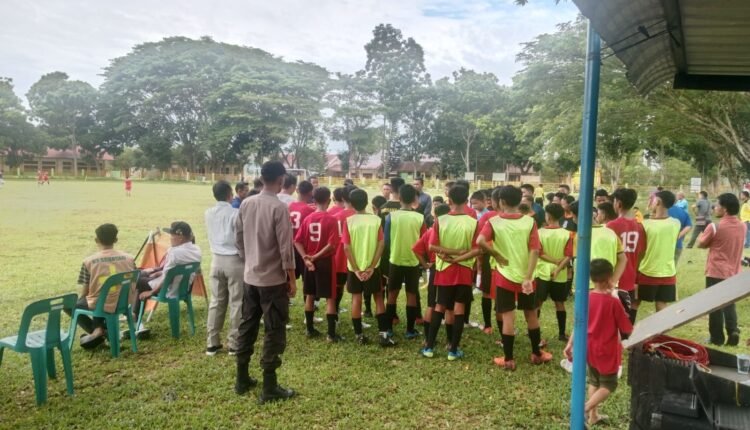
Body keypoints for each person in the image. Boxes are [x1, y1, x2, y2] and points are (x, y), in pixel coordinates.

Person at [234, 161, 297, 403]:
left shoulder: (246, 203)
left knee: (247, 325)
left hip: (250, 278)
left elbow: (238, 238)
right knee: (274, 330)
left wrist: (249, 260)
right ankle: (269, 386)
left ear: (261, 178)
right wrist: (292, 279)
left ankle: (241, 378)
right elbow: (285, 249)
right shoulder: (279, 207)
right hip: (272, 282)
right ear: (281, 179)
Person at [477, 186, 549, 370]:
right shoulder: (529, 222)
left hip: (504, 276)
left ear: (501, 202)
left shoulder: (494, 222)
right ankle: (536, 354)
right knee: (531, 314)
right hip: (527, 277)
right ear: (519, 201)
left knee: (508, 317)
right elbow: (535, 250)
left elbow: (480, 241)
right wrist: (528, 277)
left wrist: (496, 254)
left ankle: (508, 359)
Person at [563, 259, 633, 427]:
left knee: (594, 381)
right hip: (606, 351)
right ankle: (585, 409)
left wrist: (570, 343)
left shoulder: (586, 298)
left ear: (591, 278)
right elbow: (627, 328)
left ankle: (593, 416)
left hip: (588, 348)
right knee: (609, 384)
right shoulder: (613, 302)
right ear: (610, 277)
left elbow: (578, 324)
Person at [421, 184, 479, 361]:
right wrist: (459, 256)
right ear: (467, 199)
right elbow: (477, 250)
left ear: (450, 200)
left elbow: (432, 246)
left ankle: (429, 347)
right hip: (464, 270)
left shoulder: (441, 220)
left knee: (439, 306)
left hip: (444, 270)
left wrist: (450, 256)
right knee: (459, 308)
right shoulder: (473, 222)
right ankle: (453, 350)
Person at [65, 224, 136, 349]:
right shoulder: (129, 258)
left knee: (69, 305)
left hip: (100, 304)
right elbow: (134, 281)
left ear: (96, 240)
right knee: (101, 299)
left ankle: (98, 330)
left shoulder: (89, 262)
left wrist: (81, 300)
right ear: (116, 240)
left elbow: (85, 292)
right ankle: (101, 330)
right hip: (124, 302)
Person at [342, 189, 393, 346]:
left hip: (354, 269)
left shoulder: (349, 221)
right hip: (373, 268)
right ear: (367, 202)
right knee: (378, 297)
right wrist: (371, 267)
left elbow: (346, 247)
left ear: (351, 204)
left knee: (356, 299)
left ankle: (359, 335)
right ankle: (383, 335)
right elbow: (381, 244)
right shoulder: (376, 220)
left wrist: (356, 269)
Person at [133, 221, 202, 337]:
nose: (170, 238)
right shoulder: (197, 250)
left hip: (168, 290)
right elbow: (173, 271)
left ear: (180, 237)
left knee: (138, 280)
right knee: (144, 278)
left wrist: (151, 292)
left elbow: (167, 279)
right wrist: (160, 273)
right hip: (184, 289)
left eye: (172, 235)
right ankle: (136, 319)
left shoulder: (174, 252)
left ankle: (135, 319)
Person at [697, 193, 746, 346]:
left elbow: (701, 244)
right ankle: (733, 331)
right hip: (734, 271)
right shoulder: (743, 226)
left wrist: (704, 238)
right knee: (729, 302)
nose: (714, 208)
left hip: (716, 271)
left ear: (724, 209)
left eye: (717, 205)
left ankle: (716, 337)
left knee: (714, 305)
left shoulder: (715, 226)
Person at [294, 187, 342, 342]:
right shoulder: (331, 219)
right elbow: (331, 245)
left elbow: (297, 241)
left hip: (309, 263)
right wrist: (315, 257)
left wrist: (306, 258)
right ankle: (331, 334)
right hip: (325, 263)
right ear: (328, 200)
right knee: (330, 297)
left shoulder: (308, 219)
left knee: (310, 295)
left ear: (314, 200)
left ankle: (309, 329)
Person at [204, 181, 244, 356]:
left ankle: (212, 342)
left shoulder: (208, 213)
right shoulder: (236, 213)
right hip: (234, 260)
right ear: (230, 194)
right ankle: (234, 343)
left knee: (216, 302)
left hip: (216, 260)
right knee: (237, 302)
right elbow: (240, 239)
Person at [384, 184, 426, 339]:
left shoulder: (391, 216)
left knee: (392, 295)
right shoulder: (420, 217)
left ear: (399, 198)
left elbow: (386, 240)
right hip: (413, 262)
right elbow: (423, 241)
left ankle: (389, 329)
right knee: (412, 295)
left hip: (395, 260)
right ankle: (410, 330)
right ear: (415, 198)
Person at [637, 190, 681, 313]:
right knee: (662, 304)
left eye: (652, 200)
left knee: (635, 302)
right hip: (668, 272)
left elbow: (641, 250)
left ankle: (629, 326)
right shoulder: (676, 223)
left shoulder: (645, 224)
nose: (650, 202)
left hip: (647, 271)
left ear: (658, 202)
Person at [535, 203, 573, 341]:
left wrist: (553, 261)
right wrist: (558, 267)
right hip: (560, 274)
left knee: (538, 302)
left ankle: (533, 330)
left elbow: (539, 253)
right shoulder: (567, 234)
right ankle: (562, 333)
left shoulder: (539, 232)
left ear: (548, 216)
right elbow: (569, 255)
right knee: (560, 303)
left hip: (542, 272)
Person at [608, 188, 646, 324]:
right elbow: (642, 252)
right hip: (630, 277)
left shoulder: (611, 226)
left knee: (611, 318)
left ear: (618, 203)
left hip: (614, 278)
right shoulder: (639, 227)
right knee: (625, 317)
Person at [413, 203, 450, 341]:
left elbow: (416, 249)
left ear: (435, 216)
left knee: (432, 304)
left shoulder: (430, 232)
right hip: (446, 268)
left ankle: (428, 338)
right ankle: (449, 341)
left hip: (435, 269)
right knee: (449, 307)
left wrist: (425, 265)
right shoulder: (448, 230)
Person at [289, 180, 315, 281]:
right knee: (307, 280)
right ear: (310, 193)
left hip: (290, 247)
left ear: (297, 190)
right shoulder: (310, 211)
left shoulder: (289, 206)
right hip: (303, 248)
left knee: (289, 279)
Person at [667, 197, 693, 265]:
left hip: (663, 245)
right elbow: (689, 226)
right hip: (678, 245)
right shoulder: (683, 212)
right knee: (673, 267)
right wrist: (679, 235)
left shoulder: (663, 211)